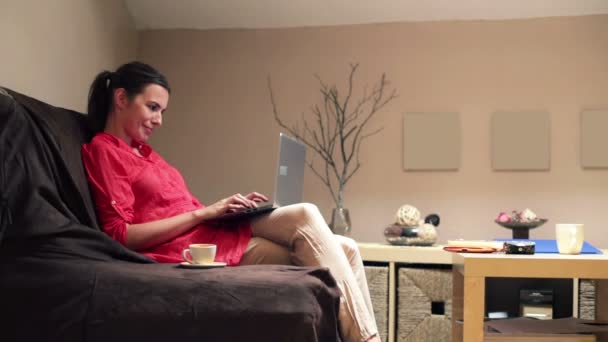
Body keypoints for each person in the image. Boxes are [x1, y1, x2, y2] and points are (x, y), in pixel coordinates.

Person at [81, 61, 380, 342]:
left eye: (162, 111)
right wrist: (204, 213)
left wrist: (225, 210)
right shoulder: (104, 151)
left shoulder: (146, 154)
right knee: (308, 215)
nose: (159, 120)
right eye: (153, 108)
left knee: (348, 247)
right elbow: (120, 235)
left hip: (213, 229)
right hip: (194, 249)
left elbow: (182, 209)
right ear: (121, 99)